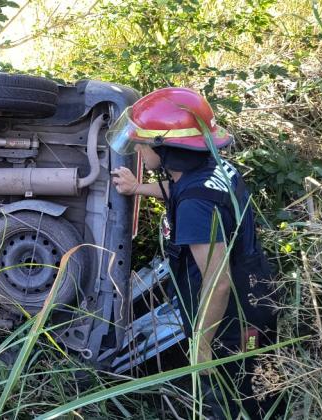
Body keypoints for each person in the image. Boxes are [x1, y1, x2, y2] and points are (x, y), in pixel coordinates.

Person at [107, 87, 279, 419]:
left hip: (232, 319)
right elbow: (183, 189)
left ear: (167, 147)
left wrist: (201, 346)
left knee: (231, 399)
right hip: (257, 293)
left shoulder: (195, 206)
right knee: (260, 388)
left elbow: (217, 282)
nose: (139, 150)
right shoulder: (212, 169)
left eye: (144, 143)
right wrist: (137, 187)